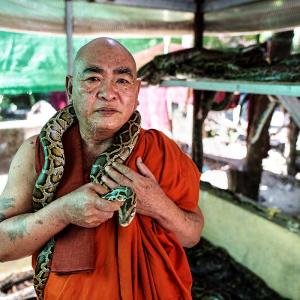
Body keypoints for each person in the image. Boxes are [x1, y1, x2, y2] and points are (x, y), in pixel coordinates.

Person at [0, 37, 204, 300]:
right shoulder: (35, 153)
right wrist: (62, 212)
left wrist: (157, 204)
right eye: (93, 79)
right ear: (70, 86)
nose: (108, 93)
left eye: (122, 80)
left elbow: (192, 235)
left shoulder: (161, 152)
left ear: (137, 91)